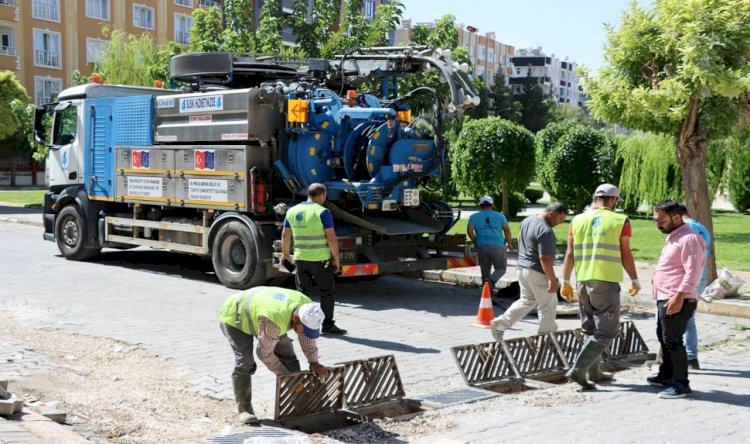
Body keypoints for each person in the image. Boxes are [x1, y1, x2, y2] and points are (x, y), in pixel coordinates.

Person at [561, 183, 641, 390]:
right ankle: (578, 370)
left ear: (595, 197)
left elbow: (569, 253)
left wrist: (566, 281)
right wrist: (635, 279)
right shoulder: (620, 220)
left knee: (590, 328)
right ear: (614, 200)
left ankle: (594, 372)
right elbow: (626, 253)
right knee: (607, 331)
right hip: (605, 282)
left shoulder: (577, 220)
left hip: (583, 282)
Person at [219, 286, 329, 424]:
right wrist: (284, 375)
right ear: (295, 319)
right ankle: (244, 409)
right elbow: (264, 354)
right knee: (245, 361)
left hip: (262, 310)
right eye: (305, 328)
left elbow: (306, 337)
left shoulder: (307, 308)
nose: (306, 332)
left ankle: (300, 401)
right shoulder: (274, 322)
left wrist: (314, 361)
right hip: (235, 316)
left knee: (288, 355)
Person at [648, 200, 706, 399]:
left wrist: (679, 296)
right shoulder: (674, 235)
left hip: (678, 298)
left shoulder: (690, 238)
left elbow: (693, 272)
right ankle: (666, 375)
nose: (657, 224)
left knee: (673, 340)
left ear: (676, 217)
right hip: (665, 296)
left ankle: (681, 384)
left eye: (661, 220)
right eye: (655, 220)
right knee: (663, 337)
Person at [490, 203, 568, 341]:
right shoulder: (546, 230)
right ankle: (547, 337)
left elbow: (520, 240)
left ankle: (501, 323)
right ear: (552, 214)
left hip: (522, 269)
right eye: (560, 219)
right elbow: (544, 257)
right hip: (537, 272)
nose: (560, 223)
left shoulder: (527, 221)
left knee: (527, 300)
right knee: (548, 304)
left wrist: (523, 259)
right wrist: (552, 279)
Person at [281, 183, 346, 334]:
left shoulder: (292, 211)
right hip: (320, 261)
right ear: (322, 195)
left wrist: (285, 255)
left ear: (308, 194)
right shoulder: (323, 212)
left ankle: (300, 325)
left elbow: (285, 234)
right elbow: (331, 238)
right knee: (326, 293)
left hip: (301, 259)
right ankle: (328, 325)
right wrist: (336, 259)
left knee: (302, 294)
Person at [679, 203, 711, 370]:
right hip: (701, 275)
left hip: (689, 277)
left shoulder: (686, 229)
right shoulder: (701, 228)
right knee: (689, 318)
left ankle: (686, 357)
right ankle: (691, 357)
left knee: (681, 319)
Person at [467, 196, 513, 289]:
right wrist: (509, 243)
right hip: (498, 246)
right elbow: (507, 230)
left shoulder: (474, 216)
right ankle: (491, 280)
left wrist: (475, 241)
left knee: (485, 271)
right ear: (492, 205)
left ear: (480, 205)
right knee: (501, 269)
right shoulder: (500, 216)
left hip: (482, 246)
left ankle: (487, 296)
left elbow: (469, 230)